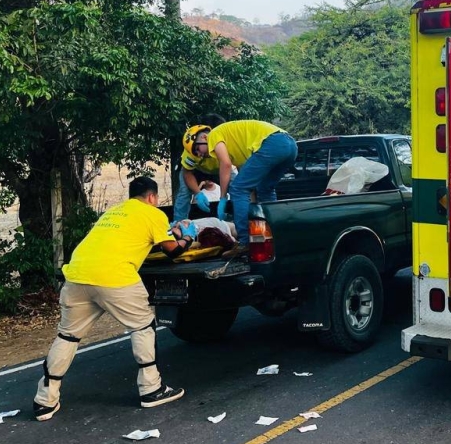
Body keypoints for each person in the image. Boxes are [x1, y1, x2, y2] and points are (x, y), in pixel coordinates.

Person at [32, 177, 196, 421]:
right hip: (115, 277)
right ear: (152, 197)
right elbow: (173, 252)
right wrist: (188, 237)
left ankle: (45, 401)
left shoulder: (112, 213)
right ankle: (151, 389)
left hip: (77, 276)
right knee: (142, 326)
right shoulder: (153, 213)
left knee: (68, 335)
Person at [182, 119, 298, 251]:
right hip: (290, 146)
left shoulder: (213, 135)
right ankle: (274, 234)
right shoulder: (236, 146)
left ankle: (244, 242)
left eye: (197, 149)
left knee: (238, 189)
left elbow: (225, 164)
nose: (200, 154)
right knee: (265, 189)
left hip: (273, 143)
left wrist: (223, 197)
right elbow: (249, 180)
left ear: (203, 137)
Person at [173, 113, 227, 223]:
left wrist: (223, 197)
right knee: (184, 192)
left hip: (220, 169)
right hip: (197, 170)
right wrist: (198, 193)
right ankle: (179, 225)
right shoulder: (192, 146)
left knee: (239, 186)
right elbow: (187, 173)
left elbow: (229, 167)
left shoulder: (227, 143)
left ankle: (242, 221)